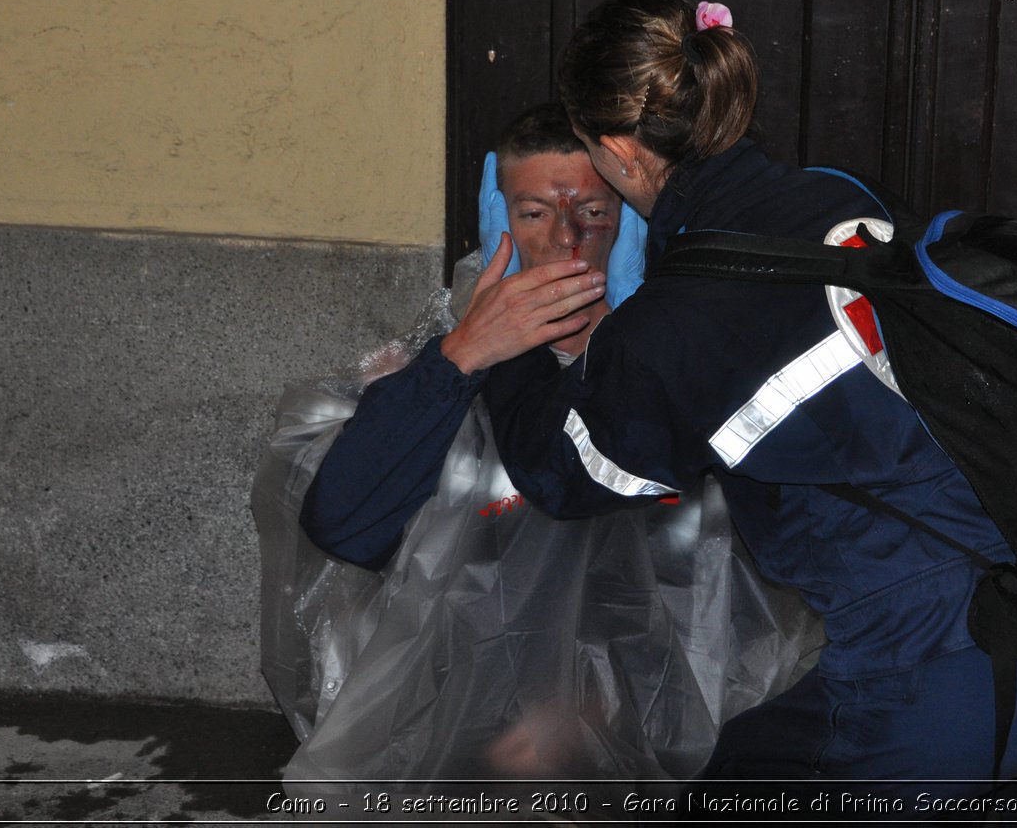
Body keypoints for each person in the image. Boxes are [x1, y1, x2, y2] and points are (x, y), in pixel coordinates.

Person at [480, 0, 1017, 808]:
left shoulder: (678, 321)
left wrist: (500, 346)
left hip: (927, 681)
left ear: (623, 154)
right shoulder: (840, 198)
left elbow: (562, 472)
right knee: (735, 773)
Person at [251, 103, 822, 795]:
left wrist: (592, 707)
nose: (565, 241)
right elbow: (341, 525)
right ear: (499, 220)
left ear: (633, 225)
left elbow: (737, 587)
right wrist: (462, 356)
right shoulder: (442, 367)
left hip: (652, 716)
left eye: (594, 213)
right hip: (465, 712)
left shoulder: (677, 355)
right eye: (532, 214)